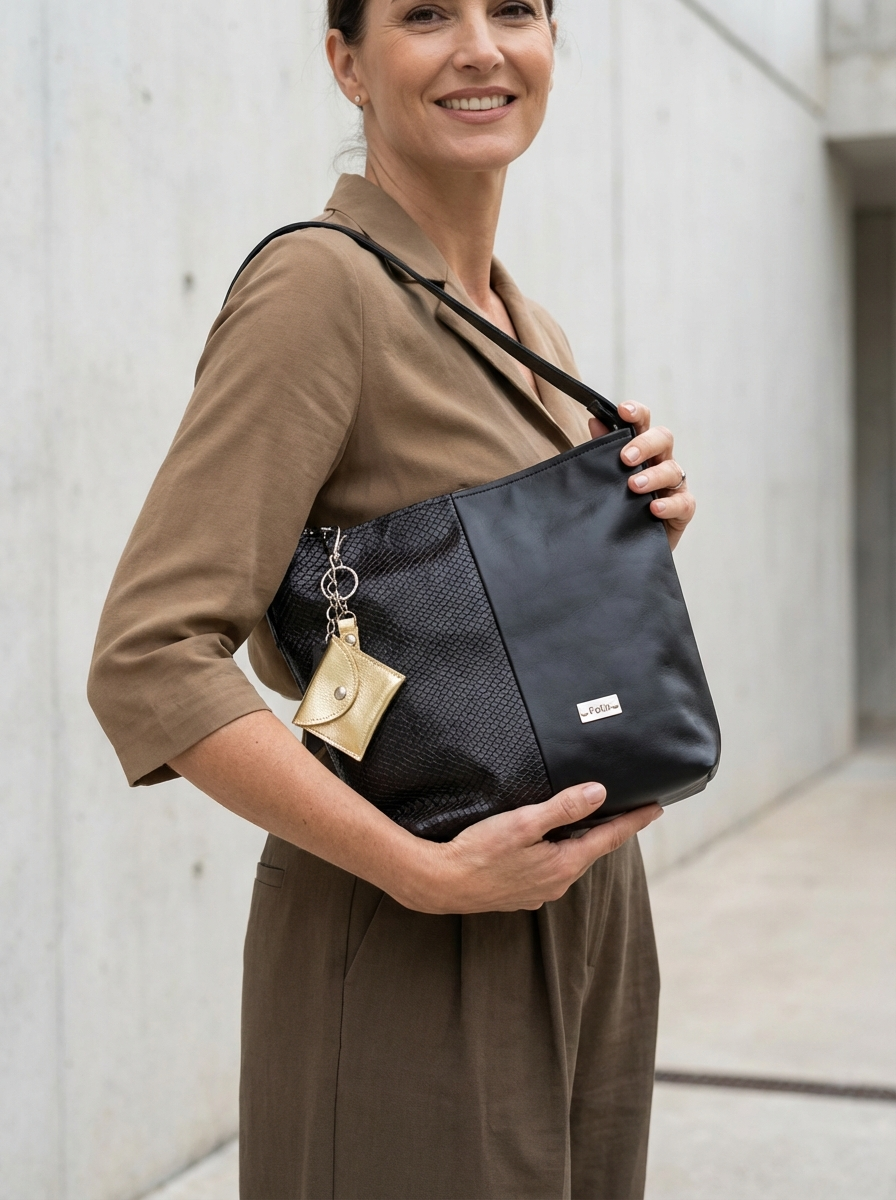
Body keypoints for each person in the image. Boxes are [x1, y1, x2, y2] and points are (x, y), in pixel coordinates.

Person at [88, 1, 696, 1196]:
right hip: (413, 927)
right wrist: (418, 873)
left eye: (512, 9)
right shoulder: (317, 289)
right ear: (347, 65)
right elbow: (152, 655)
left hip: (590, 918)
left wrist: (627, 536)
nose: (479, 46)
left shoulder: (529, 329)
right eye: (424, 13)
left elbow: (384, 636)